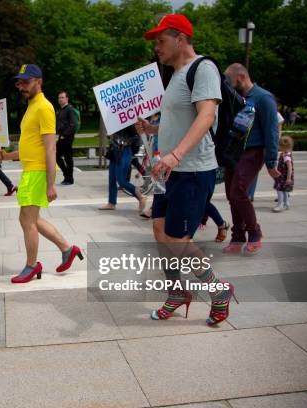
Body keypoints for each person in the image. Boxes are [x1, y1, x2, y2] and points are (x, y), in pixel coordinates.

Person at [139, 14, 235, 325]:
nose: (157, 47)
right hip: (169, 171)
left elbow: (206, 116)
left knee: (177, 239)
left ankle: (218, 291)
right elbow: (178, 121)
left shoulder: (203, 68)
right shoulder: (175, 76)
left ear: (180, 39)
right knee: (159, 230)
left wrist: (175, 156)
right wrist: (152, 128)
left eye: (161, 41)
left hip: (192, 170)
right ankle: (177, 292)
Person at [0, 64, 83, 283]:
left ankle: (32, 266)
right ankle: (67, 248)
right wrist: (6, 156)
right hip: (31, 170)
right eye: (19, 82)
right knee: (32, 219)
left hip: (38, 172)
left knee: (27, 221)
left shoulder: (44, 107)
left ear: (38, 81)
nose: (21, 86)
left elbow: (50, 147)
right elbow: (29, 147)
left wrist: (51, 184)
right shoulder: (32, 106)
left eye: (26, 81)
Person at [223, 63, 279, 254]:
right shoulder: (235, 99)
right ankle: (237, 236)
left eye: (229, 81)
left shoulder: (263, 98)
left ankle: (255, 233)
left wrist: (272, 162)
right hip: (234, 152)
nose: (227, 85)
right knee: (232, 195)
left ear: (240, 77)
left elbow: (272, 131)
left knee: (238, 191)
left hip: (254, 151)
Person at [98, 125, 147, 214]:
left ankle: (140, 196)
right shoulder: (114, 121)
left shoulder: (128, 122)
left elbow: (136, 137)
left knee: (121, 181)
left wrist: (125, 142)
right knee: (112, 179)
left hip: (125, 151)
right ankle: (111, 203)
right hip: (114, 150)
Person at [248, 111, 284, 201]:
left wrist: (275, 145)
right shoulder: (258, 112)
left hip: (269, 146)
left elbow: (278, 132)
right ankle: (249, 194)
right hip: (260, 146)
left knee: (273, 171)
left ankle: (283, 191)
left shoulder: (276, 114)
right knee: (254, 171)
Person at [56, 91, 76, 185]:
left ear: (67, 99)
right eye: (59, 97)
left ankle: (69, 179)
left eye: (62, 97)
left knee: (68, 158)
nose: (60, 99)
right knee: (57, 156)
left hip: (67, 138)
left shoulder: (69, 109)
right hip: (62, 137)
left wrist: (64, 135)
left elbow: (73, 125)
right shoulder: (61, 110)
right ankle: (67, 176)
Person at [272, 136, 294, 212]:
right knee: (285, 190)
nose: (278, 147)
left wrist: (288, 178)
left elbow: (290, 168)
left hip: (283, 177)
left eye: (279, 146)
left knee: (279, 190)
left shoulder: (287, 157)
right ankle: (286, 204)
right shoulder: (285, 153)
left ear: (284, 147)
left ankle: (280, 204)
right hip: (283, 176)